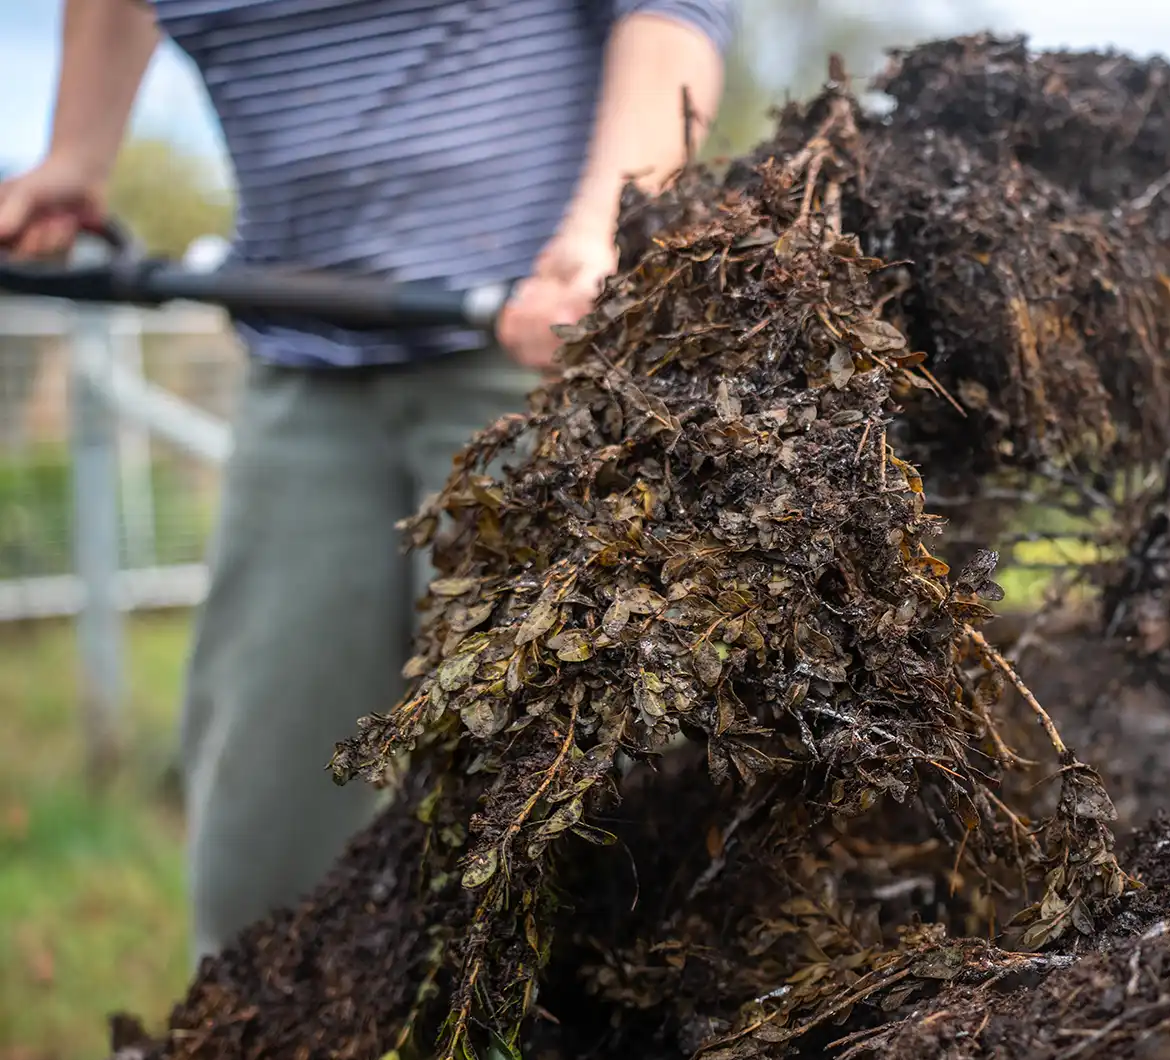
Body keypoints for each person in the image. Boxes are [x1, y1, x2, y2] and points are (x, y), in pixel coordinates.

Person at [0, 0, 737, 965]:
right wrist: (76, 152)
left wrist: (610, 222)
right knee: (265, 838)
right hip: (301, 361)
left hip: (537, 356)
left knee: (577, 819)